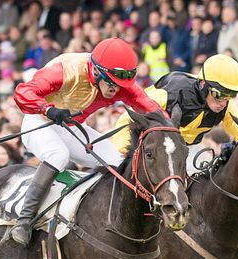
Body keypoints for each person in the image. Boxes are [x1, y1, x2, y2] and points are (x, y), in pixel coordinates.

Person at [11, 38, 161, 247]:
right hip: (39, 123)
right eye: (112, 84)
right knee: (59, 155)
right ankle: (23, 221)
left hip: (72, 128)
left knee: (119, 163)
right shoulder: (65, 70)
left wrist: (169, 125)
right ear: (97, 71)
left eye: (120, 86)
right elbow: (22, 92)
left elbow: (149, 106)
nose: (116, 90)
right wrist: (48, 109)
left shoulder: (119, 80)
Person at [113, 54, 238, 150]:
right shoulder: (173, 92)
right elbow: (128, 118)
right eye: (219, 94)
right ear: (203, 84)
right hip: (152, 146)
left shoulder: (226, 105)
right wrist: (122, 153)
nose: (223, 103)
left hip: (187, 148)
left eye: (231, 95)